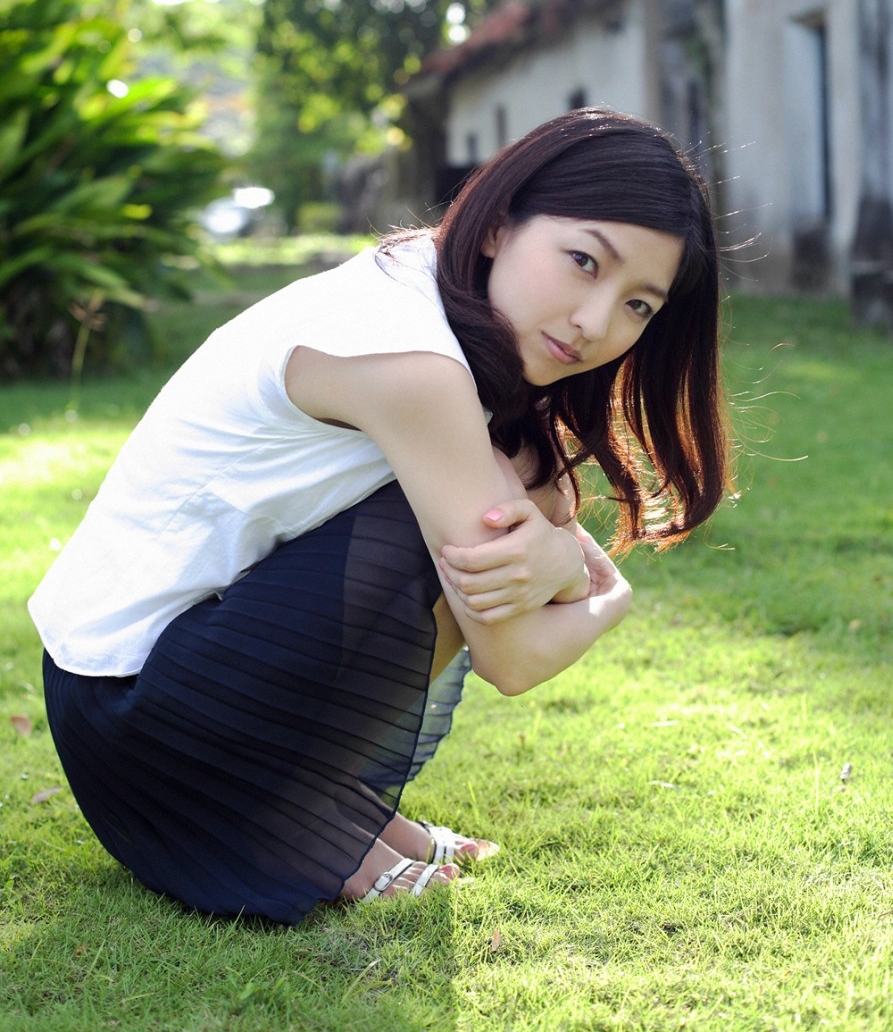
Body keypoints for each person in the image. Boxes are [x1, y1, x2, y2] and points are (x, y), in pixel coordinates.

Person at [28, 107, 730, 924]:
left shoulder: (422, 286)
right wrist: (602, 588)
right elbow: (514, 659)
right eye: (582, 261)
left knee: (515, 474)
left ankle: (321, 800)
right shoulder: (410, 362)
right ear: (498, 225)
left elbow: (533, 513)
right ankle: (291, 817)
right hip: (141, 726)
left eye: (638, 305)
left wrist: (554, 542)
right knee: (483, 495)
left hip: (133, 685)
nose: (595, 322)